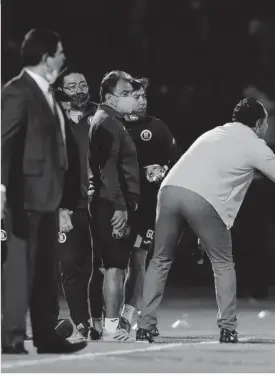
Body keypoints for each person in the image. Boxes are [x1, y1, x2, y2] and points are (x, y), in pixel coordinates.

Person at [136, 97, 275, 344]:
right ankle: (227, 328)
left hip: (170, 190)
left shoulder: (215, 132)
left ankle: (144, 326)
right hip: (201, 199)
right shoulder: (254, 144)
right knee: (223, 264)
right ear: (260, 123)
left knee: (160, 259)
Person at [1, 29, 86, 354]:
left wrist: (65, 200)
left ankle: (47, 335)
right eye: (60, 51)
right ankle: (11, 337)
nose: (63, 57)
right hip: (25, 197)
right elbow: (5, 144)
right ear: (45, 56)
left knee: (45, 273)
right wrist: (2, 189)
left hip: (47, 196)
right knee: (22, 269)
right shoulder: (17, 91)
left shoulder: (47, 93)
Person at [116, 80, 181, 338]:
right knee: (111, 264)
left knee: (138, 259)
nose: (142, 101)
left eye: (144, 96)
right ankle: (102, 318)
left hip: (146, 207)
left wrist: (162, 171)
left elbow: (178, 162)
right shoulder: (113, 124)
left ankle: (127, 315)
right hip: (116, 204)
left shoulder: (157, 127)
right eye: (136, 96)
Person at [87, 70, 141, 340]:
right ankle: (110, 327)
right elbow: (108, 168)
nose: (131, 98)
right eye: (126, 93)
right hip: (111, 203)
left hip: (110, 200)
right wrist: (120, 206)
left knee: (111, 264)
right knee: (114, 265)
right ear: (109, 96)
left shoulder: (111, 120)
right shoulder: (108, 122)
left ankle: (103, 323)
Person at [52, 68, 102, 340]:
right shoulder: (52, 121)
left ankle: (102, 319)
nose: (80, 90)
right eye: (72, 86)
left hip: (101, 202)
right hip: (68, 206)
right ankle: (81, 321)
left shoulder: (101, 115)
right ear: (61, 90)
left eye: (83, 84)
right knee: (72, 264)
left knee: (101, 266)